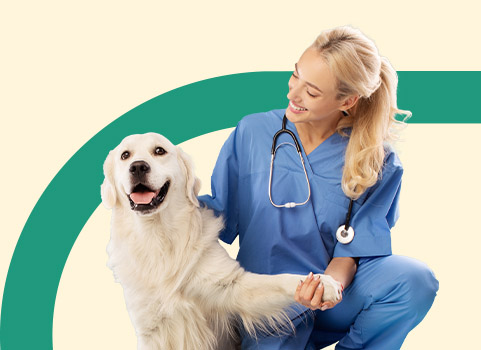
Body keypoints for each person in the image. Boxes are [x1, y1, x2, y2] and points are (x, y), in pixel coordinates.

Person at [198, 26, 439, 350]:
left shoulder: (376, 160)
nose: (293, 95)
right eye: (295, 76)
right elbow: (219, 213)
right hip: (266, 301)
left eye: (311, 92)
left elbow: (353, 251)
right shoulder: (252, 132)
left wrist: (328, 287)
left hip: (333, 299)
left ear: (348, 101)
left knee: (413, 280)